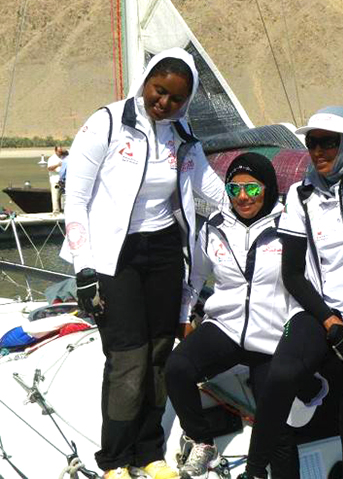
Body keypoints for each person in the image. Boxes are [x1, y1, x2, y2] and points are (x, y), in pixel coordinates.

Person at [61, 48, 224, 479]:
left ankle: (149, 451)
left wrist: (258, 205)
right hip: (115, 256)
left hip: (165, 250)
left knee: (158, 352)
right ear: (146, 81)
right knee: (127, 358)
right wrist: (83, 269)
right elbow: (74, 201)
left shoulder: (180, 131)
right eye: (159, 90)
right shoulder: (108, 123)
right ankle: (115, 459)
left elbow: (206, 183)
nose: (164, 103)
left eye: (176, 97)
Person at [242, 106, 343, 479]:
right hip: (321, 313)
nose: (318, 152)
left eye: (328, 143)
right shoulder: (301, 194)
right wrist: (329, 320)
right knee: (281, 374)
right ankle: (255, 471)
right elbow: (292, 274)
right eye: (312, 143)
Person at [165, 152, 325, 479]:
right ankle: (203, 441)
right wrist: (184, 315)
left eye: (252, 190)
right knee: (177, 368)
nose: (242, 197)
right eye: (234, 189)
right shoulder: (214, 226)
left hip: (274, 335)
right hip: (227, 326)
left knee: (275, 426)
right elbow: (196, 276)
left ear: (267, 189)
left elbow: (313, 279)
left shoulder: (289, 225)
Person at [47, 145, 65, 213]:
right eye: (59, 151)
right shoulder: (52, 159)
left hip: (62, 180)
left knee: (62, 195)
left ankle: (63, 210)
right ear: (55, 151)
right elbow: (49, 168)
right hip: (55, 181)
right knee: (55, 195)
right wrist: (57, 165)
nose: (60, 153)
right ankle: (56, 211)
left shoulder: (63, 158)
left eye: (61, 151)